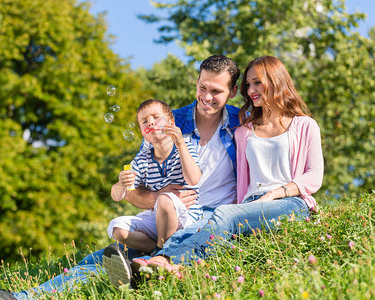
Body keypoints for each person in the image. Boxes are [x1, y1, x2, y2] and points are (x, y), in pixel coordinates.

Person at [0, 54, 242, 299]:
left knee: (134, 255)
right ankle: (18, 298)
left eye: (216, 91)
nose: (206, 97)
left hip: (209, 221)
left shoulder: (242, 125)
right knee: (102, 256)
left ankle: (145, 272)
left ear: (232, 92)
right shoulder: (167, 122)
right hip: (166, 217)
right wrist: (159, 196)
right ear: (196, 83)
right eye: (201, 87)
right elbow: (133, 188)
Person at [125, 55, 324, 273]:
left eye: (257, 82)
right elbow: (132, 186)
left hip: (287, 202)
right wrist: (151, 195)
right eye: (249, 84)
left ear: (232, 91)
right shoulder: (245, 130)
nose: (251, 90)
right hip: (238, 206)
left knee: (225, 215)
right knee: (112, 249)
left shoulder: (301, 125)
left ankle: (164, 260)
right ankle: (148, 269)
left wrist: (275, 194)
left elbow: (314, 176)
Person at [108, 99, 202, 255]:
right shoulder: (142, 159)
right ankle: (155, 249)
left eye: (156, 117)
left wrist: (179, 143)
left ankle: (161, 253)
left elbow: (194, 179)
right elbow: (117, 196)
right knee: (118, 230)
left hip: (187, 215)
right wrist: (121, 183)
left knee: (165, 199)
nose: (150, 123)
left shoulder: (185, 147)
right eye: (144, 121)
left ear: (171, 123)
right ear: (142, 132)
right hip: (159, 216)